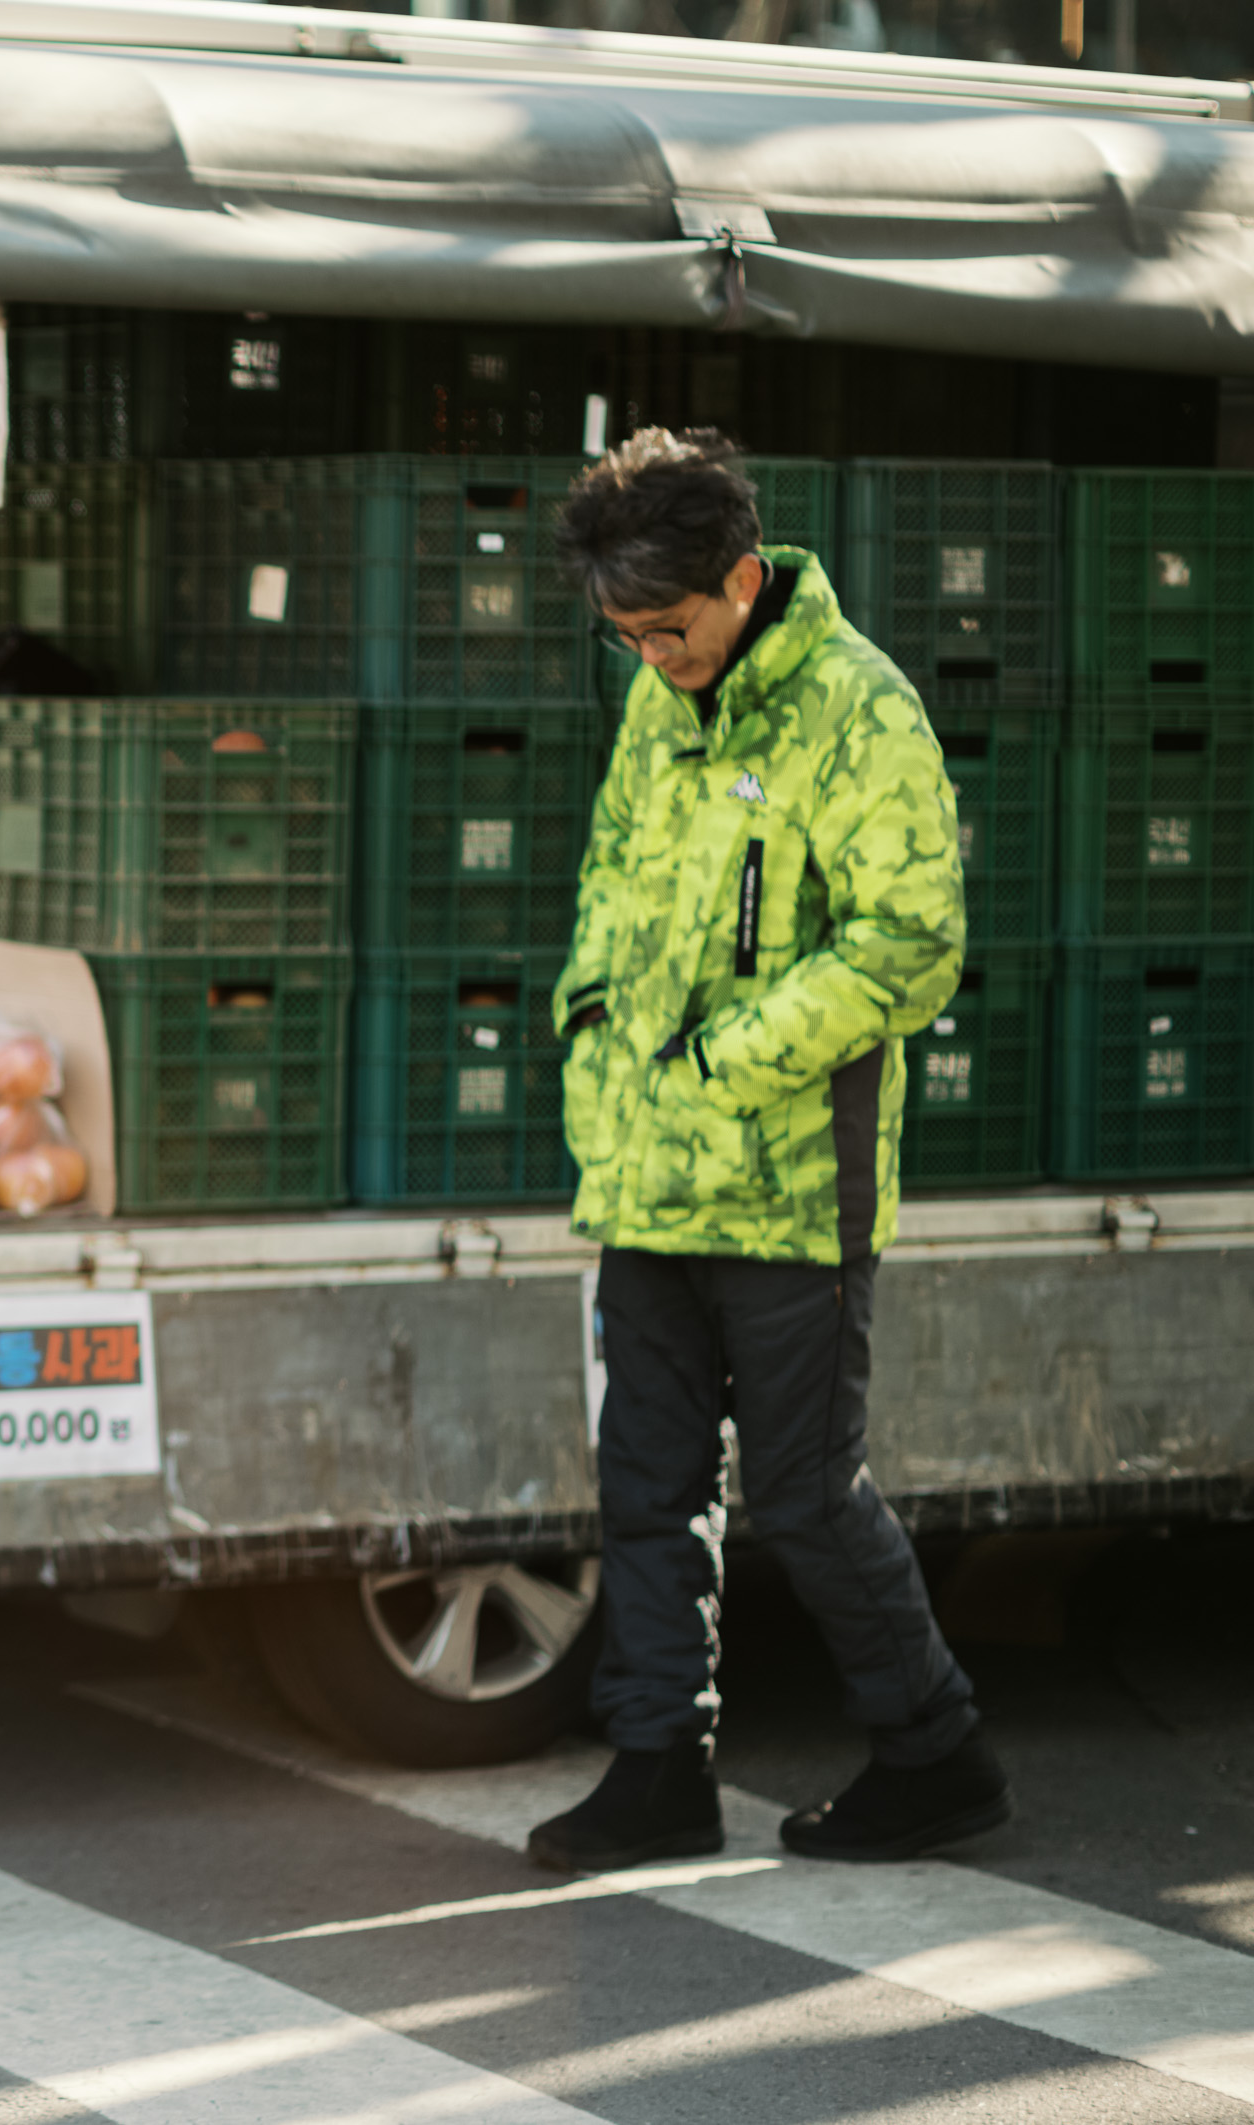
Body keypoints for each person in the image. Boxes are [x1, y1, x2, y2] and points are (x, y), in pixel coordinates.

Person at [529, 428, 1010, 1872]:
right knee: (645, 1486)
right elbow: (615, 863)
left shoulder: (864, 713)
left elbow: (912, 948)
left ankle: (937, 1752)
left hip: (798, 1184)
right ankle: (658, 1764)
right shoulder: (655, 700)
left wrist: (729, 1058)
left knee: (801, 1493)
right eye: (624, 638)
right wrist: (592, 1015)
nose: (651, 659)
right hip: (645, 1170)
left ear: (742, 580)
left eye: (668, 630)